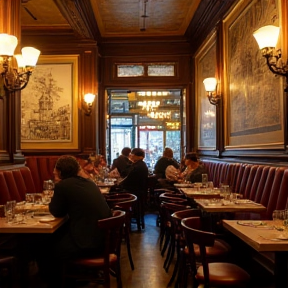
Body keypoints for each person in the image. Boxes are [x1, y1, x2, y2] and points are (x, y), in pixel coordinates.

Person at [35, 155, 112, 287]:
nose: (53, 173)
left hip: (87, 244)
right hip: (103, 240)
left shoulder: (63, 186)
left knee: (42, 246)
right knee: (51, 239)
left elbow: (57, 211)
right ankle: (73, 276)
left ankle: (55, 282)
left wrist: (58, 185)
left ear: (59, 172)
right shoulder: (89, 182)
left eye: (55, 171)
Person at [118, 148, 148, 230]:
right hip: (139, 191)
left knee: (115, 194)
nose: (131, 156)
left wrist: (118, 184)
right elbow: (126, 173)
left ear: (137, 156)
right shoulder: (140, 164)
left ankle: (118, 217)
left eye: (132, 154)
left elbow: (127, 179)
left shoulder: (138, 166)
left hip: (134, 192)